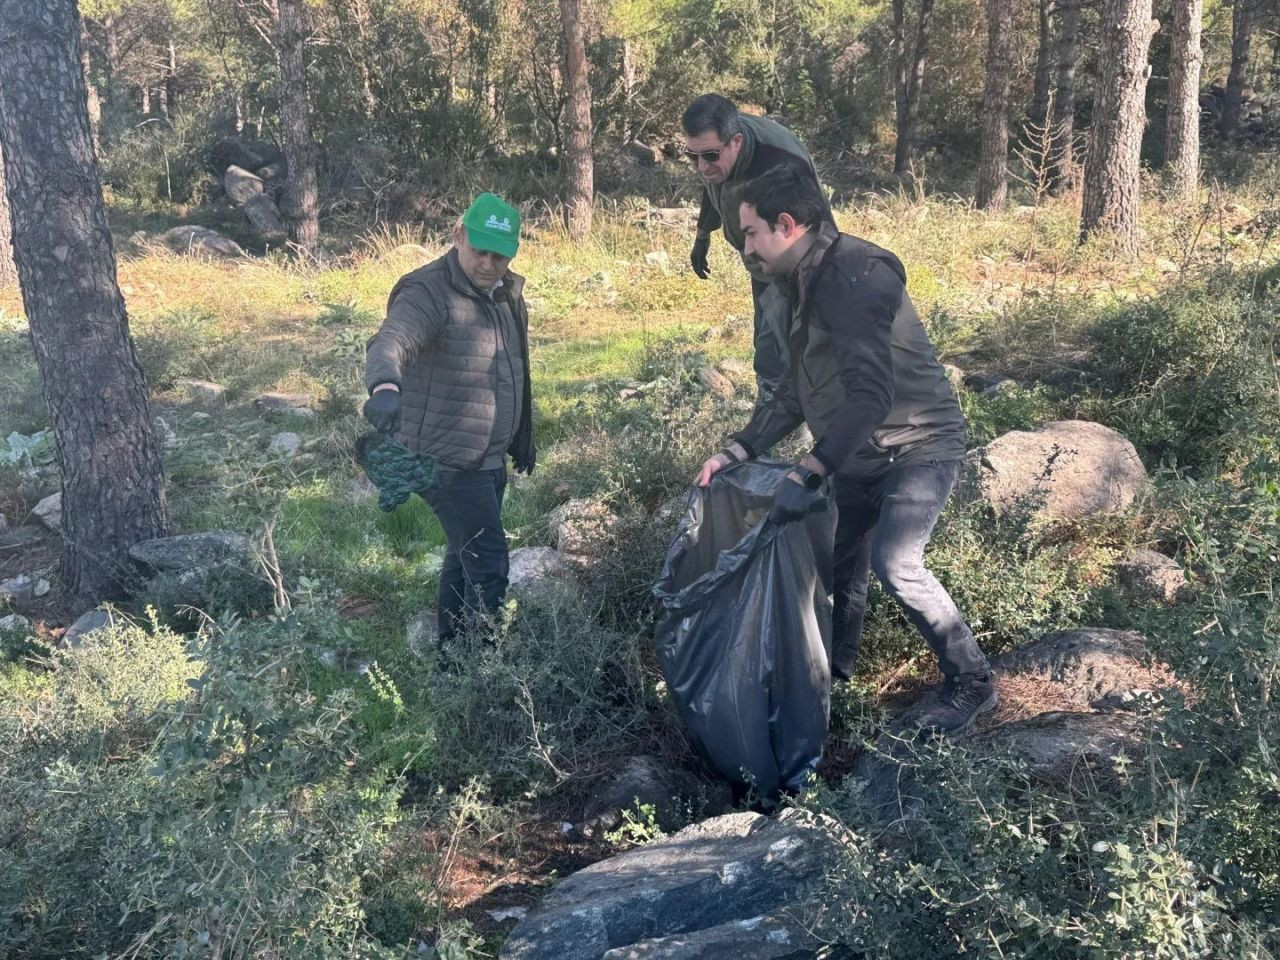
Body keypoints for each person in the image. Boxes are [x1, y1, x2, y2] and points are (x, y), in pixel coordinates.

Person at [695, 166, 997, 734]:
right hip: (856, 451)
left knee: (897, 563)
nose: (746, 247)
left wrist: (808, 472)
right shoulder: (792, 287)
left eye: (753, 233)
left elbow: (872, 394)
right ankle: (835, 678)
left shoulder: (856, 276)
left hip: (917, 445)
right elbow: (791, 392)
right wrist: (736, 451)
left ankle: (972, 681)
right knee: (840, 566)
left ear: (787, 225)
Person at [363, 192, 535, 644]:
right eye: (480, 250)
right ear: (458, 235)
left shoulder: (506, 292)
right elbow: (391, 340)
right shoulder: (428, 290)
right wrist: (385, 387)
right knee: (489, 564)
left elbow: (512, 369)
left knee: (464, 559)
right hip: (448, 460)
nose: (487, 264)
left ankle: (452, 662)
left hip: (487, 456)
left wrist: (521, 438)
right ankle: (483, 678)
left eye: (500, 255)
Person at [682, 94, 831, 399]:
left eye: (708, 156)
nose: (700, 166)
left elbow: (819, 230)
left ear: (736, 142)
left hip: (798, 263)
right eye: (691, 156)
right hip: (761, 258)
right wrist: (702, 236)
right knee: (769, 339)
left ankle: (794, 421)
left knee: (780, 347)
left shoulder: (780, 161)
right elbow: (711, 186)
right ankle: (781, 412)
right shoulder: (715, 154)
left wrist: (811, 291)